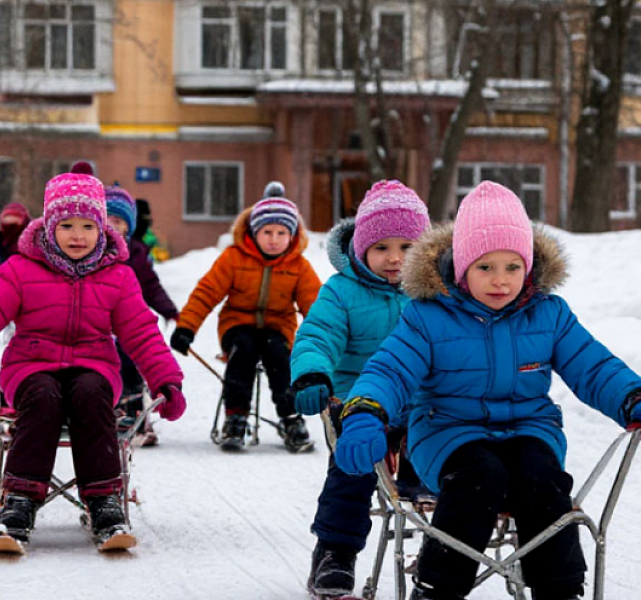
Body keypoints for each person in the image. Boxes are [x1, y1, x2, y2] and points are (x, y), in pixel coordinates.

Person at [333, 182, 641, 600]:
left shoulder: (549, 315)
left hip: (528, 431)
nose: (500, 281)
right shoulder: (426, 317)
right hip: (448, 434)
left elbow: (594, 366)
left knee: (543, 480)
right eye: (485, 267)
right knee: (481, 477)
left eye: (512, 267)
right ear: (461, 267)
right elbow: (390, 369)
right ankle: (436, 588)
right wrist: (364, 412)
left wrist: (639, 400)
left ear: (530, 267)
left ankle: (560, 591)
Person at [0, 171, 187, 550]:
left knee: (91, 394)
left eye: (87, 226)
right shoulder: (21, 269)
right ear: (49, 225)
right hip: (30, 366)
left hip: (94, 366)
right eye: (66, 225)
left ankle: (104, 501)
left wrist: (166, 381)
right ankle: (19, 501)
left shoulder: (118, 276)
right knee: (43, 396)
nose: (77, 235)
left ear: (102, 229)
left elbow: (142, 332)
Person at [287, 181, 431, 599]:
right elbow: (317, 336)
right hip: (355, 404)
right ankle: (335, 553)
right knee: (353, 470)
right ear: (361, 248)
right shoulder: (341, 291)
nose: (394, 258)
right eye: (382, 247)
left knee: (445, 470)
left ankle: (440, 551)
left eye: (407, 246)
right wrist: (314, 374)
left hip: (420, 406)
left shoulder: (434, 295)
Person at [171, 193, 322, 452]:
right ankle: (236, 416)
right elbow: (207, 292)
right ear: (254, 232)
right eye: (267, 232)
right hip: (237, 324)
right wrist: (186, 327)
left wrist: (325, 340)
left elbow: (316, 307)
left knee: (280, 356)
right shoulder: (234, 258)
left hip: (278, 327)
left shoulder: (298, 266)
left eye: (281, 233)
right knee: (244, 351)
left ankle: (291, 417)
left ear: (292, 235)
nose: (274, 240)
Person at [104, 185, 178, 445]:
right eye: (106, 219)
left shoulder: (136, 254)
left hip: (128, 320)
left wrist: (169, 310)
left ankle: (133, 405)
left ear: (128, 227)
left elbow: (151, 285)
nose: (111, 226)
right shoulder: (89, 251)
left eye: (118, 221)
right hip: (98, 322)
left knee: (129, 355)